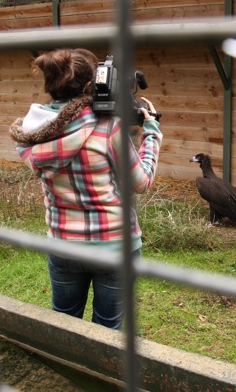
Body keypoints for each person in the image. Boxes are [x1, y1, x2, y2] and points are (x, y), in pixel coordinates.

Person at [9, 48, 162, 329]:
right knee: (107, 332)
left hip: (64, 245)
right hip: (115, 246)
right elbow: (142, 182)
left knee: (64, 327)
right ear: (92, 86)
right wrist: (151, 131)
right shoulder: (108, 129)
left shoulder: (29, 134)